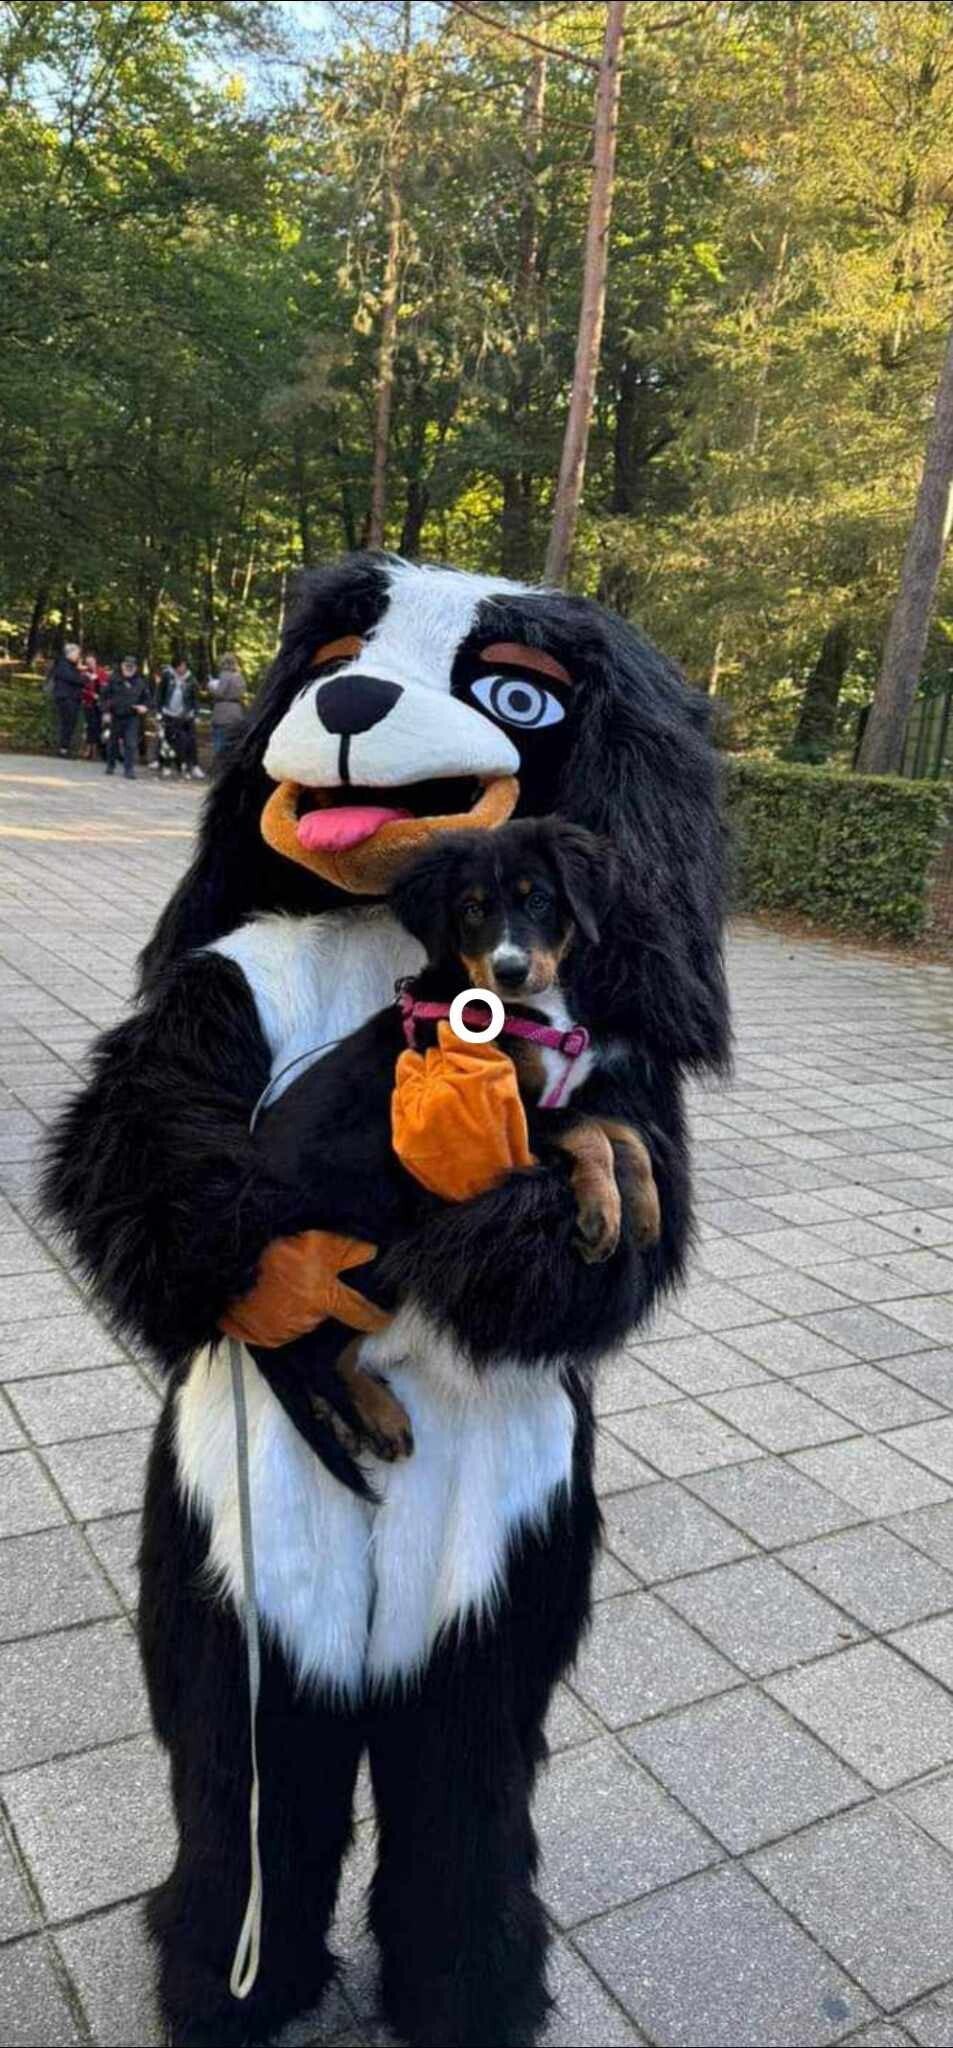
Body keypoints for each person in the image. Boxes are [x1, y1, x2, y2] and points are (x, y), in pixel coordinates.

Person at [103, 657, 150, 779]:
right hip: (115, 715)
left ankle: (129, 769)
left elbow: (147, 700)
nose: (129, 668)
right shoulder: (113, 679)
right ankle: (110, 765)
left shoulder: (141, 682)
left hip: (132, 717)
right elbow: (105, 696)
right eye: (126, 665)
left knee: (130, 743)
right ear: (122, 666)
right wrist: (106, 712)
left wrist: (144, 707)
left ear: (136, 668)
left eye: (131, 666)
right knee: (113, 742)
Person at [157, 658, 204, 779]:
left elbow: (195, 699)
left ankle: (193, 766)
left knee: (189, 741)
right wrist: (159, 711)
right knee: (167, 741)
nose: (182, 668)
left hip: (185, 715)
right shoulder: (167, 676)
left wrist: (196, 714)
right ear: (175, 667)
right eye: (180, 666)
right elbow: (160, 694)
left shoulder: (191, 679)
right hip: (168, 713)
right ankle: (166, 766)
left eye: (184, 666)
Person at [49, 642, 87, 758]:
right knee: (67, 723)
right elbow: (74, 679)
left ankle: (65, 747)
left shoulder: (71, 665)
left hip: (72, 698)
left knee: (70, 723)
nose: (78, 657)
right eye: (77, 654)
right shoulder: (63, 664)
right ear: (69, 653)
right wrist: (84, 677)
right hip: (66, 698)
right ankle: (63, 749)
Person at [207, 651, 246, 760]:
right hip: (237, 712)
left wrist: (211, 686)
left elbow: (220, 692)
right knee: (233, 743)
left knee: (219, 741)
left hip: (223, 712)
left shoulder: (224, 675)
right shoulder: (239, 677)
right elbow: (242, 692)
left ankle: (219, 765)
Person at [81, 654, 108, 760]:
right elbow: (82, 688)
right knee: (90, 726)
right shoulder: (84, 673)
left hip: (100, 704)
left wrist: (97, 681)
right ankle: (88, 749)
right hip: (89, 703)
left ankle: (95, 750)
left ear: (95, 661)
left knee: (98, 726)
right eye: (88, 663)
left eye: (91, 662)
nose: (90, 664)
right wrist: (91, 694)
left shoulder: (101, 672)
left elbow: (105, 686)